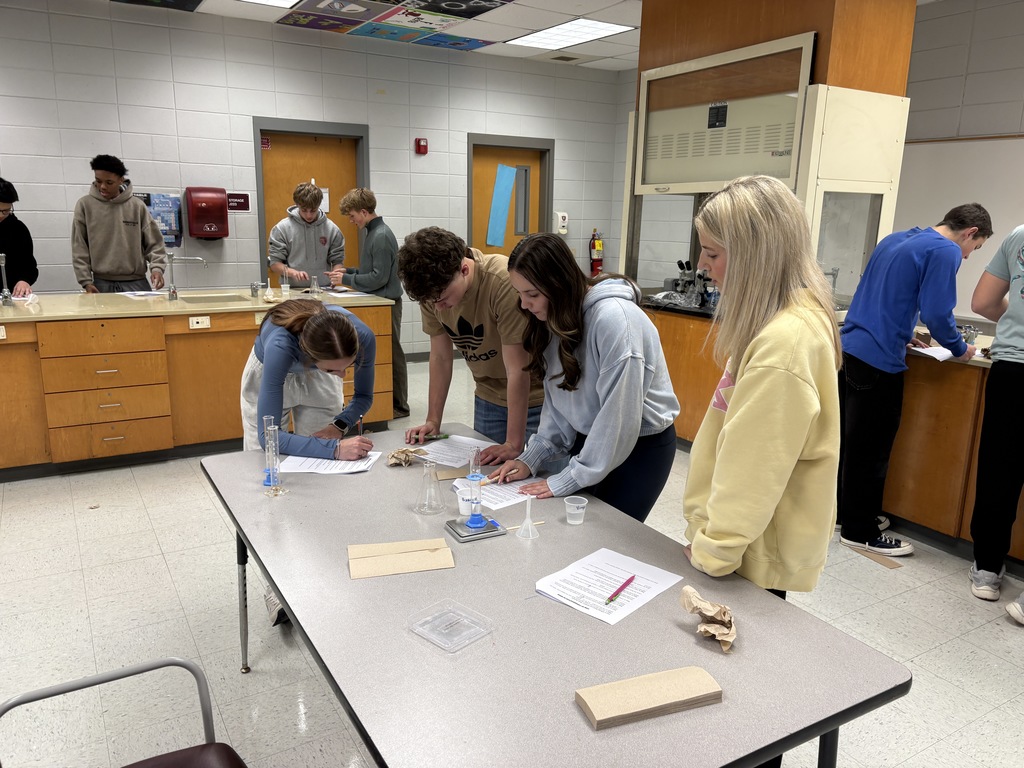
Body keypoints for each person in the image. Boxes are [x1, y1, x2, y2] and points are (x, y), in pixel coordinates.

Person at [682, 175, 841, 612]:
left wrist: (715, 550)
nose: (702, 265)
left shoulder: (785, 343)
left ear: (755, 256)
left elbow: (754, 464)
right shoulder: (777, 323)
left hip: (747, 553)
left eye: (713, 253)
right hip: (741, 544)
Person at [489, 233, 679, 523]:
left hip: (639, 448)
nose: (524, 305)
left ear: (559, 285)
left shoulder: (615, 321)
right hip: (593, 440)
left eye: (532, 294)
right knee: (574, 528)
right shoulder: (555, 316)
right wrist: (531, 457)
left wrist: (570, 478)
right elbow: (561, 398)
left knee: (609, 536)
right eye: (520, 294)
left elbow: (618, 418)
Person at [838, 202, 992, 556]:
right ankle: (859, 530)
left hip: (850, 349)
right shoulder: (945, 250)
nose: (967, 257)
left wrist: (903, 330)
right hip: (878, 360)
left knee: (850, 442)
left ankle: (845, 514)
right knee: (873, 448)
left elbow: (877, 296)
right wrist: (958, 348)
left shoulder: (895, 240)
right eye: (976, 248)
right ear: (969, 233)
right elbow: (938, 313)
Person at [398, 227, 544, 464]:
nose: (439, 308)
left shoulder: (502, 282)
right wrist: (433, 420)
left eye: (443, 300)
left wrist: (513, 443)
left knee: (539, 479)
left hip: (535, 398)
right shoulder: (432, 293)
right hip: (488, 395)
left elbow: (517, 369)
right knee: (485, 479)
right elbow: (440, 358)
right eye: (431, 302)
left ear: (464, 269)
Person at [965, 225, 1024, 625]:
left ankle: (987, 569)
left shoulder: (1019, 235)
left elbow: (984, 302)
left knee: (998, 471)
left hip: (1013, 370)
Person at [240, 298, 375, 461]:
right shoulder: (280, 346)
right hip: (269, 368)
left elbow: (363, 396)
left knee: (322, 460)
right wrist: (334, 449)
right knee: (264, 461)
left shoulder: (363, 338)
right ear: (309, 357)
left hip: (320, 371)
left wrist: (339, 426)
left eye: (349, 365)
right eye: (332, 370)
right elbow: (268, 438)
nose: (343, 375)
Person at [327, 188, 409, 418]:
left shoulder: (381, 235)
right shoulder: (373, 233)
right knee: (386, 352)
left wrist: (346, 279)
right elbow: (370, 271)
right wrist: (349, 271)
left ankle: (399, 406)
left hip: (387, 303)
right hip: (379, 302)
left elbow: (378, 278)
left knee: (392, 353)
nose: (351, 221)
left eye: (352, 216)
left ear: (364, 212)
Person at [71, 154, 167, 293]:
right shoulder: (85, 205)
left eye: (109, 182)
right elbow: (79, 246)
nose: (102, 186)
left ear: (121, 180)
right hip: (100, 283)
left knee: (147, 316)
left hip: (136, 282)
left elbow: (155, 243)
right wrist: (85, 281)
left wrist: (157, 268)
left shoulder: (136, 206)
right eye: (98, 181)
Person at [267, 181, 345, 290]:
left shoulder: (332, 229)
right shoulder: (281, 229)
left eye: (313, 210)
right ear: (297, 205)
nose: (309, 215)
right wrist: (292, 273)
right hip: (293, 290)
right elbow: (275, 264)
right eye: (304, 210)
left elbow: (337, 260)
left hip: (323, 289)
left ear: (319, 206)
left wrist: (335, 275)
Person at [0, 178, 37, 297]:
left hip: (11, 296)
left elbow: (29, 265)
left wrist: (24, 280)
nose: (1, 215)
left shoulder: (18, 229)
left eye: (6, 211)